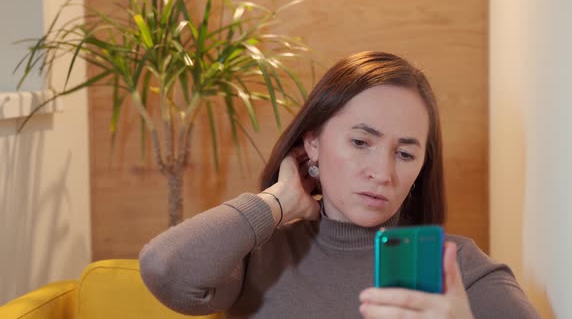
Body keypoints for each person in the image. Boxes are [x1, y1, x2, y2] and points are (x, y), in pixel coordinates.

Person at [139, 51, 540, 318]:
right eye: (361, 142)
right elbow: (165, 269)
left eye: (405, 153)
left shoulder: (458, 268)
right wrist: (278, 201)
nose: (382, 174)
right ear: (312, 142)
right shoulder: (258, 257)